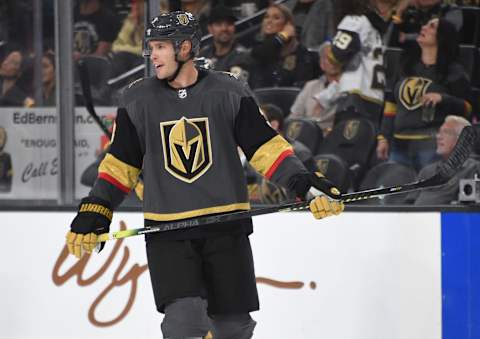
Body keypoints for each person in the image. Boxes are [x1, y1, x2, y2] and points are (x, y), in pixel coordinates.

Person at [65, 11, 344, 339]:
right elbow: (118, 168)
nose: (152, 55)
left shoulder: (228, 90)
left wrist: (305, 184)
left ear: (185, 48)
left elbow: (266, 148)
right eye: (151, 47)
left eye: (160, 47)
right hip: (169, 231)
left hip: (226, 227)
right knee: (183, 323)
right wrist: (96, 209)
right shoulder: (137, 99)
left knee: (233, 328)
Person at [376, 18, 472, 172]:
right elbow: (391, 105)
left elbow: (467, 109)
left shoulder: (453, 71)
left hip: (430, 145)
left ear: (442, 36)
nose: (424, 27)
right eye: (426, 23)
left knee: (426, 191)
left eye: (431, 26)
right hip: (398, 144)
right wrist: (383, 138)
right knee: (395, 192)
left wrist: (443, 99)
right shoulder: (406, 65)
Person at [325, 0, 390, 128]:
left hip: (356, 94)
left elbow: (336, 55)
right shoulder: (373, 26)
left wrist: (329, 49)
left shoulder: (354, 21)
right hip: (375, 97)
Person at [411, 115, 480, 205]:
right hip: (416, 217)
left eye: (446, 132)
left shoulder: (474, 169)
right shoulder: (427, 171)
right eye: (439, 132)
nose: (438, 137)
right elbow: (408, 203)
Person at [248, 4, 320, 89]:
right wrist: (282, 36)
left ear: (288, 25)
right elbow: (261, 52)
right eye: (266, 17)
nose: (269, 21)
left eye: (276, 18)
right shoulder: (259, 49)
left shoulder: (300, 53)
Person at [290, 41, 342, 134]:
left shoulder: (349, 87)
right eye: (328, 57)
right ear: (321, 63)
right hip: (307, 136)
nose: (333, 61)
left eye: (336, 57)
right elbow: (294, 117)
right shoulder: (310, 86)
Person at [198, 5, 250, 78]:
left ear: (234, 27)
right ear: (210, 29)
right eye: (219, 24)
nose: (224, 28)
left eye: (229, 24)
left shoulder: (242, 56)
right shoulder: (204, 54)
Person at [109, 0, 145, 77]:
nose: (134, 6)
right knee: (119, 58)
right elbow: (116, 46)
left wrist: (126, 49)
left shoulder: (159, 19)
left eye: (138, 4)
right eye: (134, 4)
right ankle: (110, 87)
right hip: (131, 57)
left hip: (148, 61)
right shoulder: (132, 19)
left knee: (140, 61)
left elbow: (145, 49)